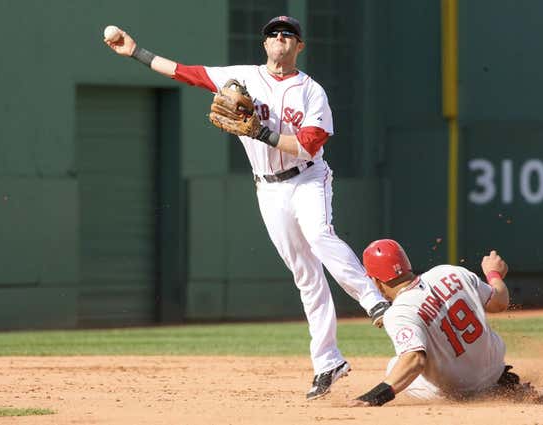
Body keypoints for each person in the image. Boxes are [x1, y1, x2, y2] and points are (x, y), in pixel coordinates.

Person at [104, 15, 390, 400]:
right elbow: (184, 73)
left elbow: (309, 145)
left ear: (299, 47)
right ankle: (328, 361)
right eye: (273, 34)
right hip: (268, 188)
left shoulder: (311, 91)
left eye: (288, 35)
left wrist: (262, 132)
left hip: (307, 177)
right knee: (305, 275)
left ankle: (372, 300)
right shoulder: (242, 77)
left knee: (320, 235)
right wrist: (136, 52)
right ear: (265, 44)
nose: (279, 39)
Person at [350, 239, 529, 406]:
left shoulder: (399, 312)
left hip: (461, 392)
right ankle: (501, 385)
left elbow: (415, 360)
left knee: (395, 365)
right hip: (496, 372)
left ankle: (476, 392)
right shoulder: (450, 272)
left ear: (375, 281)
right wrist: (494, 274)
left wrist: (375, 396)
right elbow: (499, 302)